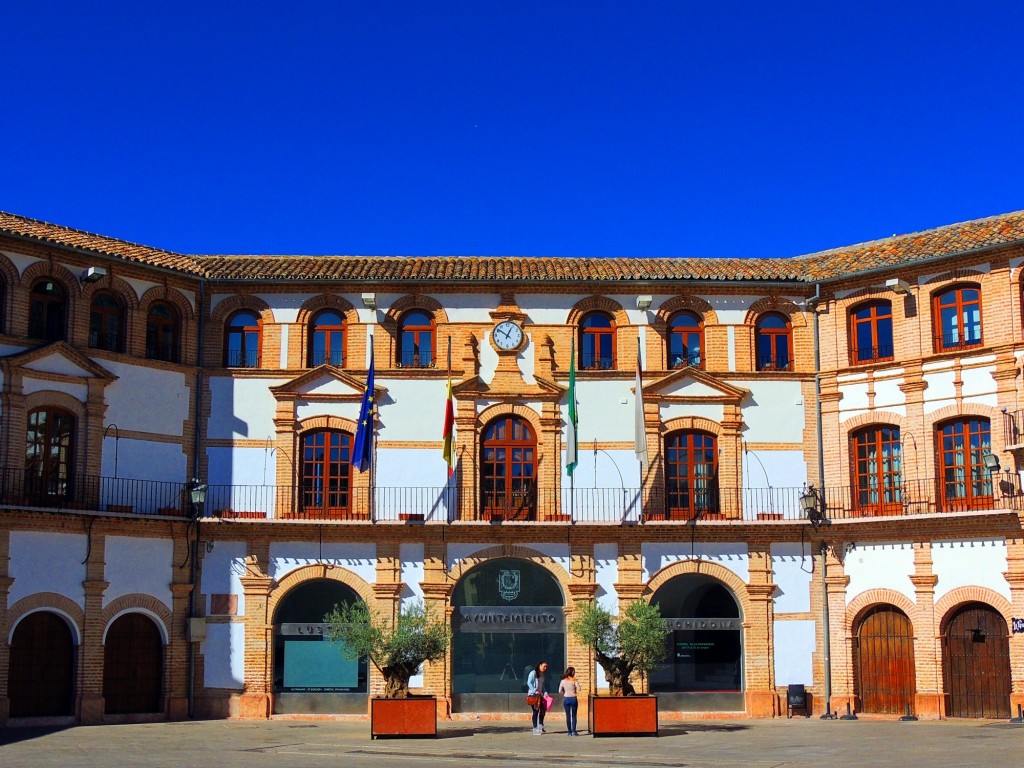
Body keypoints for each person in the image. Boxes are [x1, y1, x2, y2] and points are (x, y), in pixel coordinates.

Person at [526, 661, 549, 734]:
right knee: (536, 711)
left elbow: (542, 685)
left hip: (541, 695)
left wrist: (545, 693)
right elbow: (529, 682)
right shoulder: (533, 673)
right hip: (534, 695)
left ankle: (540, 726)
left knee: (543, 710)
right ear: (540, 665)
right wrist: (534, 690)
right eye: (544, 666)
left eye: (546, 667)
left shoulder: (542, 675)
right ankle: (535, 728)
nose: (545, 668)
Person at [558, 666, 580, 735]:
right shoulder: (574, 680)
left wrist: (564, 692)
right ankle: (574, 731)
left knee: (568, 716)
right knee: (574, 715)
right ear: (572, 672)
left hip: (566, 699)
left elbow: (559, 691)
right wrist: (574, 690)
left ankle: (569, 731)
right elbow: (579, 689)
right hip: (573, 698)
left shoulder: (563, 681)